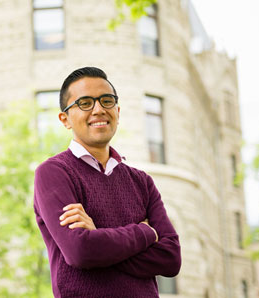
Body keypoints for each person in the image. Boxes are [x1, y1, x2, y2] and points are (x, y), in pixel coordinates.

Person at [33, 66, 181, 297]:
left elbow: (171, 259)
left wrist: (98, 237)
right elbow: (81, 252)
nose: (99, 109)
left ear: (118, 112)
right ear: (65, 119)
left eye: (106, 100)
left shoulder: (142, 182)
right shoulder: (53, 173)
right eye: (85, 103)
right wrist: (145, 233)